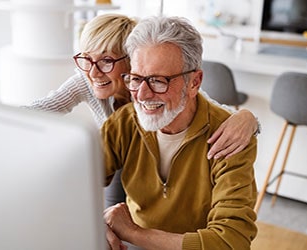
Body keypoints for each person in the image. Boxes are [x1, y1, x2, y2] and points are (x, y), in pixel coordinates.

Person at [25, 14, 259, 207]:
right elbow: (43, 108)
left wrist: (248, 118)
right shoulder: (88, 80)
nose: (94, 72)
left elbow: (217, 112)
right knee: (111, 214)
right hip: (118, 157)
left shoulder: (167, 92)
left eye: (106, 60)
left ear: (131, 61)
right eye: (87, 59)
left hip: (152, 161)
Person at [102, 16, 257, 250]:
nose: (142, 94)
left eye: (158, 80)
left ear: (194, 82)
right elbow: (72, 181)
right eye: (136, 79)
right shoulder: (124, 122)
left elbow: (231, 242)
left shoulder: (231, 138)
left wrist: (133, 233)